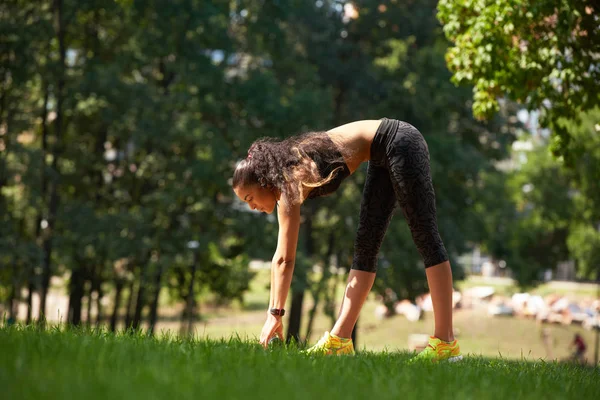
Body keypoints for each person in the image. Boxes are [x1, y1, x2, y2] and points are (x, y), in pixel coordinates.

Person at [232, 118, 462, 362]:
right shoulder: (286, 181)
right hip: (380, 153)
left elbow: (285, 259)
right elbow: (280, 257)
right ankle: (340, 340)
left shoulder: (290, 182)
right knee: (365, 247)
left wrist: (274, 315)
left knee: (425, 235)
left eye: (249, 198)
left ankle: (445, 342)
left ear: (264, 182)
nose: (252, 207)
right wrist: (274, 314)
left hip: (401, 141)